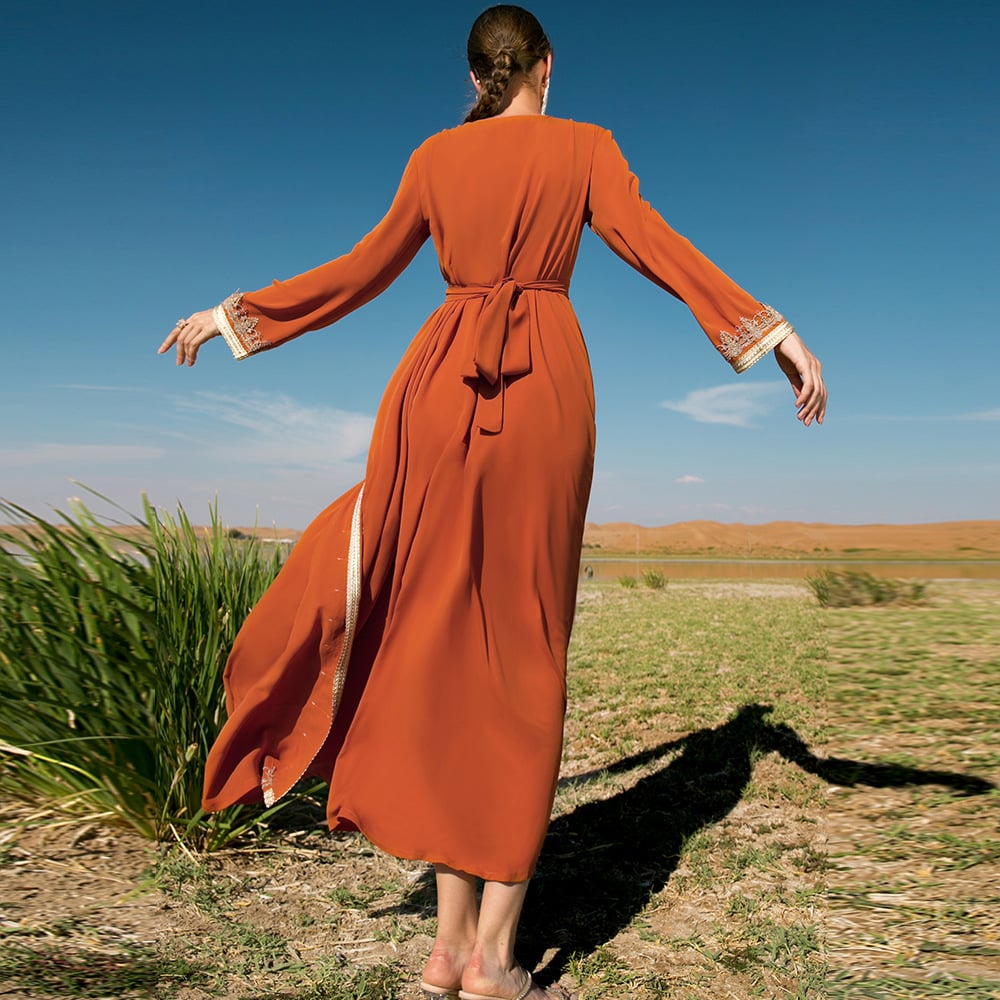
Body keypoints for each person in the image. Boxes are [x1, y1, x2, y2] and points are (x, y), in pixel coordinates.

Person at [158, 6, 826, 999]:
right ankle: (492, 961)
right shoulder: (586, 147)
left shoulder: (435, 156)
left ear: (472, 76)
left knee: (436, 649)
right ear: (547, 66)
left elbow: (361, 270)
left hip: (434, 390)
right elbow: (655, 245)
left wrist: (234, 315)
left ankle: (445, 948)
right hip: (543, 389)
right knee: (525, 652)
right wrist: (766, 329)